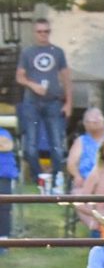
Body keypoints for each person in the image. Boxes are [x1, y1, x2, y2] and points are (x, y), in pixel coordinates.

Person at [15, 19, 72, 186]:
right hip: (31, 103)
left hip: (53, 102)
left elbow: (66, 78)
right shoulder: (28, 52)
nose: (43, 35)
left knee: (56, 143)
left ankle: (55, 179)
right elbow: (20, 76)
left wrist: (69, 102)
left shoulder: (58, 52)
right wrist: (33, 85)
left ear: (49, 32)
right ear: (35, 33)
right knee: (30, 146)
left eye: (46, 31)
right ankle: (39, 176)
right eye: (40, 31)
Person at [0, 126, 19, 253]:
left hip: (2, 177)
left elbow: (7, 145)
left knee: (4, 207)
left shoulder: (4, 132)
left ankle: (3, 241)